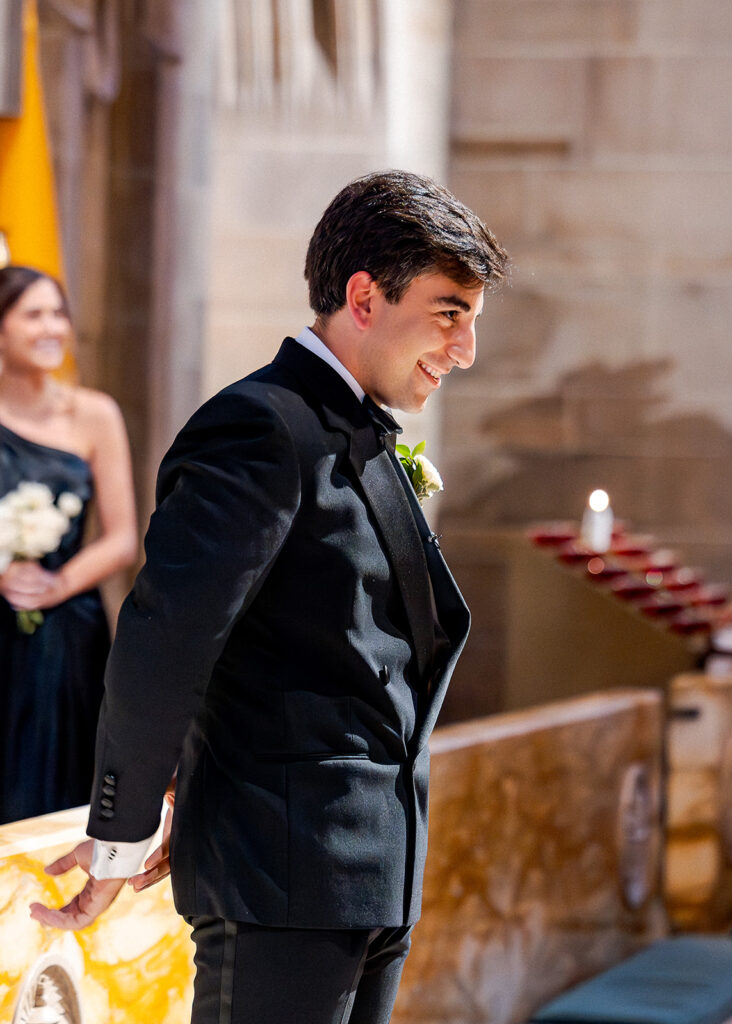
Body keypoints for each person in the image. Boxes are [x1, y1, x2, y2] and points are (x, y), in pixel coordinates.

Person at [30, 171, 509, 1024]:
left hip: (371, 873)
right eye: (449, 313)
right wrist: (124, 825)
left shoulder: (358, 428)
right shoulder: (260, 426)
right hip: (281, 874)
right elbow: (166, 638)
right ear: (365, 297)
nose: (466, 348)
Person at [0, 265, 137, 824]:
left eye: (59, 313)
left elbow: (124, 538)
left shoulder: (94, 413)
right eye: (33, 314)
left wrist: (55, 584)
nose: (52, 326)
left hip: (67, 634)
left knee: (56, 793)